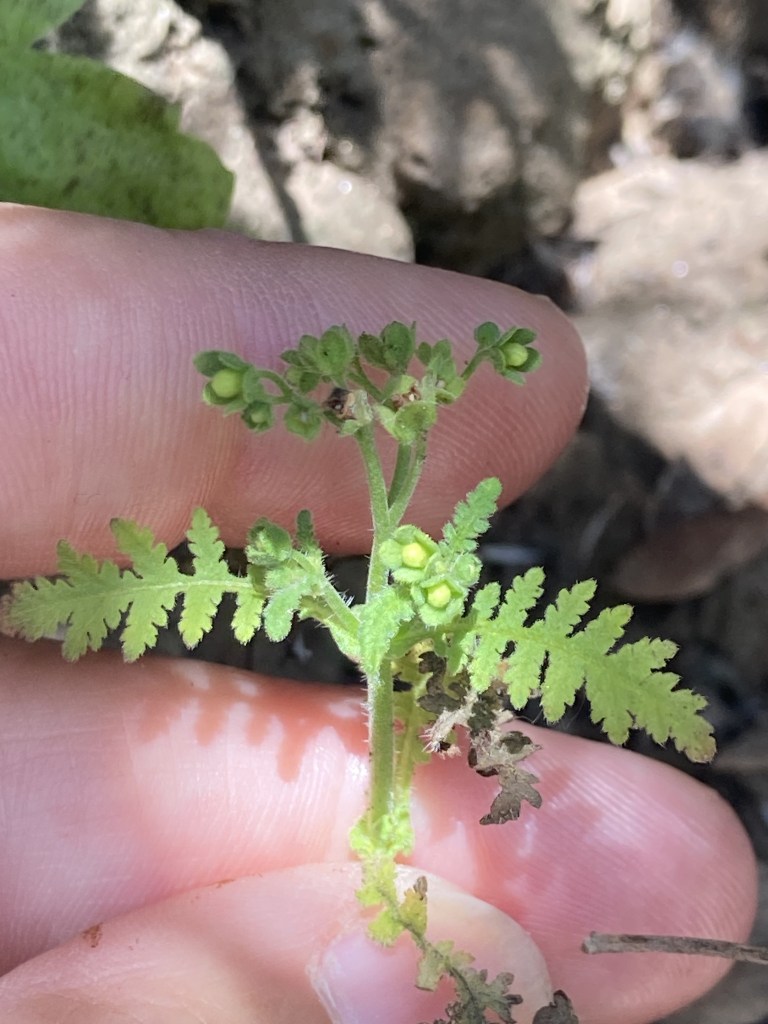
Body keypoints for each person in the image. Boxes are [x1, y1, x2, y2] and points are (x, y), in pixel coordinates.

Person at [0, 203, 757, 1023]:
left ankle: (391, 892)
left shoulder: (415, 493)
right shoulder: (361, 433)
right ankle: (393, 913)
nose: (391, 412)